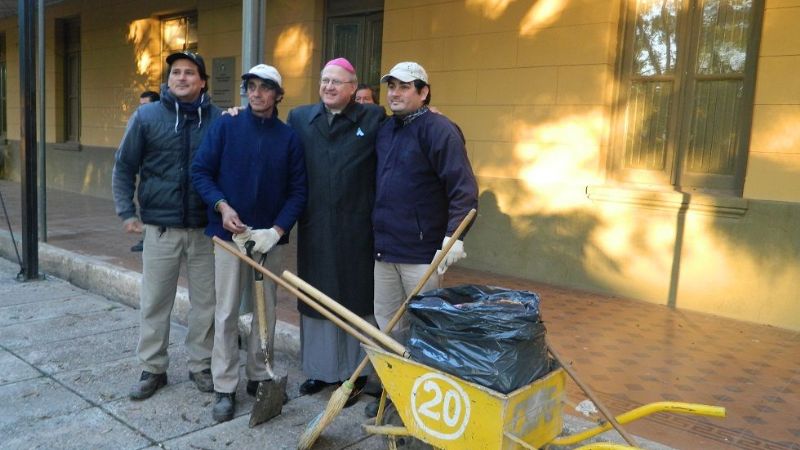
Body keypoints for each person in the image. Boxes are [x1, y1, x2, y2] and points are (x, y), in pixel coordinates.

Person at [192, 64, 308, 422]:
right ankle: (225, 385)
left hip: (268, 240)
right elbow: (200, 171)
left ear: (277, 94)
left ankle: (259, 375)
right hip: (230, 236)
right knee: (226, 311)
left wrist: (276, 230)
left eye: (264, 88)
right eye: (251, 87)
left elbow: (298, 191)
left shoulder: (288, 138)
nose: (256, 94)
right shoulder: (226, 125)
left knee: (265, 311)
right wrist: (222, 206)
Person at [112, 51, 222, 401]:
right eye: (176, 72)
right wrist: (127, 212)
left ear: (203, 80)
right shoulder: (147, 117)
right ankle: (153, 367)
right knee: (156, 301)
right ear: (169, 78)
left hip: (206, 229)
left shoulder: (219, 120)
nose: (182, 78)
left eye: (190, 73)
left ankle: (201, 364)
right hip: (160, 229)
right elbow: (124, 166)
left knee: (207, 302)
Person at [286, 58, 385, 406]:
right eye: (325, 80)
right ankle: (319, 370)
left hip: (358, 228)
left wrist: (430, 114)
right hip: (315, 227)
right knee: (316, 297)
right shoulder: (300, 118)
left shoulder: (373, 118)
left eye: (337, 82)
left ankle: (354, 376)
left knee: (355, 300)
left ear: (353, 88)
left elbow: (405, 126)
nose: (329, 87)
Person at [372, 60, 478, 353]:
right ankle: (393, 393)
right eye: (391, 87)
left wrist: (453, 237)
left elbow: (463, 189)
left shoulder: (440, 130)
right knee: (389, 323)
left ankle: (423, 393)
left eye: (404, 87)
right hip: (385, 250)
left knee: (425, 325)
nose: (394, 93)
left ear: (423, 92)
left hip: (421, 253)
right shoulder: (385, 130)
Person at [129, 90, 162, 253]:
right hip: (147, 173)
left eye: (145, 105)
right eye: (140, 106)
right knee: (146, 203)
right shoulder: (140, 122)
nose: (141, 109)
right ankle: (147, 239)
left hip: (163, 176)